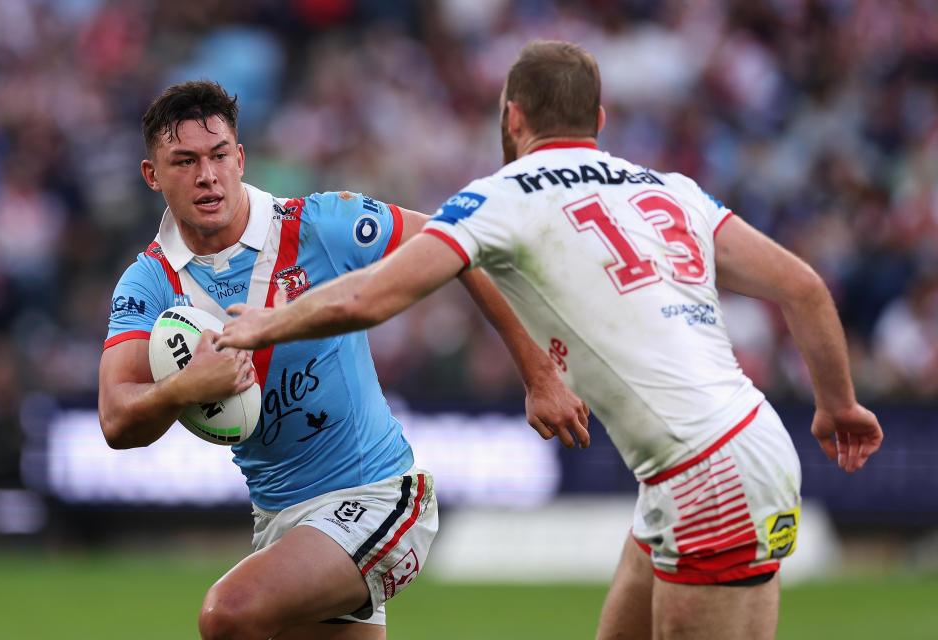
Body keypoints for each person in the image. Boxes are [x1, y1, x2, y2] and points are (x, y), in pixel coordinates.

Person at [216, 40, 884, 640]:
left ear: (512, 118)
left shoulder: (501, 198)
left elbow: (368, 295)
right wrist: (838, 404)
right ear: (599, 119)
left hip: (708, 473)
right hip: (723, 449)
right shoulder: (670, 189)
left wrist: (263, 323)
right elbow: (804, 288)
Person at [98, 80, 589, 640]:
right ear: (152, 176)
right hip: (283, 526)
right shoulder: (149, 283)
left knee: (226, 615)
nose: (206, 175)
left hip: (378, 498)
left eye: (217, 156)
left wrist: (540, 372)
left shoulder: (319, 225)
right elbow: (116, 418)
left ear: (240, 158)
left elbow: (460, 244)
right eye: (183, 161)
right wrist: (182, 388)